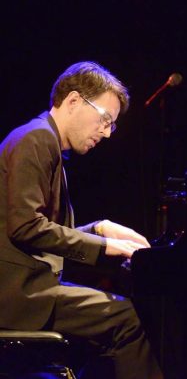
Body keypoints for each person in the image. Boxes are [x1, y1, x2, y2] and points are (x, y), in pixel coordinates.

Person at [0, 61, 162, 378]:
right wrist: (104, 245)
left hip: (26, 290)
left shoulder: (45, 143)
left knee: (117, 317)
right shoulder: (36, 140)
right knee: (125, 318)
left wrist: (100, 229)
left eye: (111, 125)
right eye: (104, 119)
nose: (106, 132)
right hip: (16, 297)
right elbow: (25, 227)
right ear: (73, 101)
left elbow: (44, 232)